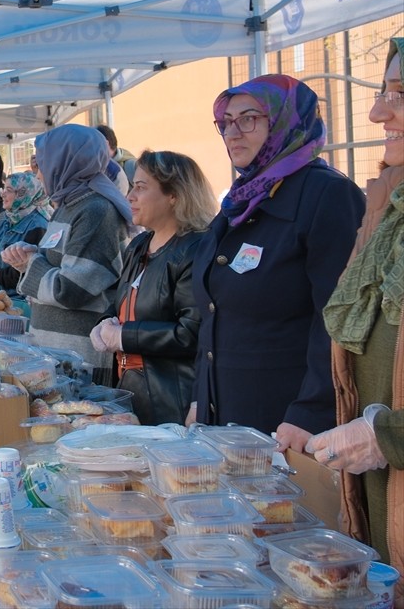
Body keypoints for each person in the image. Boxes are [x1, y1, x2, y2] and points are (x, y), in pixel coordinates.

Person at [190, 74, 365, 450]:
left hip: (285, 425)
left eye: (249, 118)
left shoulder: (326, 194)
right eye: (226, 122)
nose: (233, 133)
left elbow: (338, 316)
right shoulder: (241, 200)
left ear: (287, 121)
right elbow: (214, 312)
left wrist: (312, 411)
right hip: (224, 417)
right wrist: (199, 396)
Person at [306, 37, 403, 601]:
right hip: (382, 514)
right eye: (380, 92)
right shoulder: (388, 208)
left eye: (399, 94)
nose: (375, 112)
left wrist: (385, 436)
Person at [88, 151, 217, 425]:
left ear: (174, 195)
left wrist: (123, 336)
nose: (130, 196)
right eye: (133, 186)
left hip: (169, 399)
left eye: (141, 188)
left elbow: (190, 333)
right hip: (129, 390)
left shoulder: (195, 250)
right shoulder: (139, 246)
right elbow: (122, 302)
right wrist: (104, 322)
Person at [2, 125, 130, 383]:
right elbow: (59, 262)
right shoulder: (68, 205)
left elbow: (72, 288)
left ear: (64, 162)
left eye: (42, 164)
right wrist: (29, 258)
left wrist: (31, 263)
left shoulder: (96, 210)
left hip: (81, 357)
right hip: (58, 350)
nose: (37, 175)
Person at [0, 171, 52, 293]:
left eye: (9, 190)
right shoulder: (8, 218)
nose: (3, 194)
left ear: (24, 193)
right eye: (3, 189)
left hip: (18, 301)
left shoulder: (38, 225)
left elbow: (27, 271)